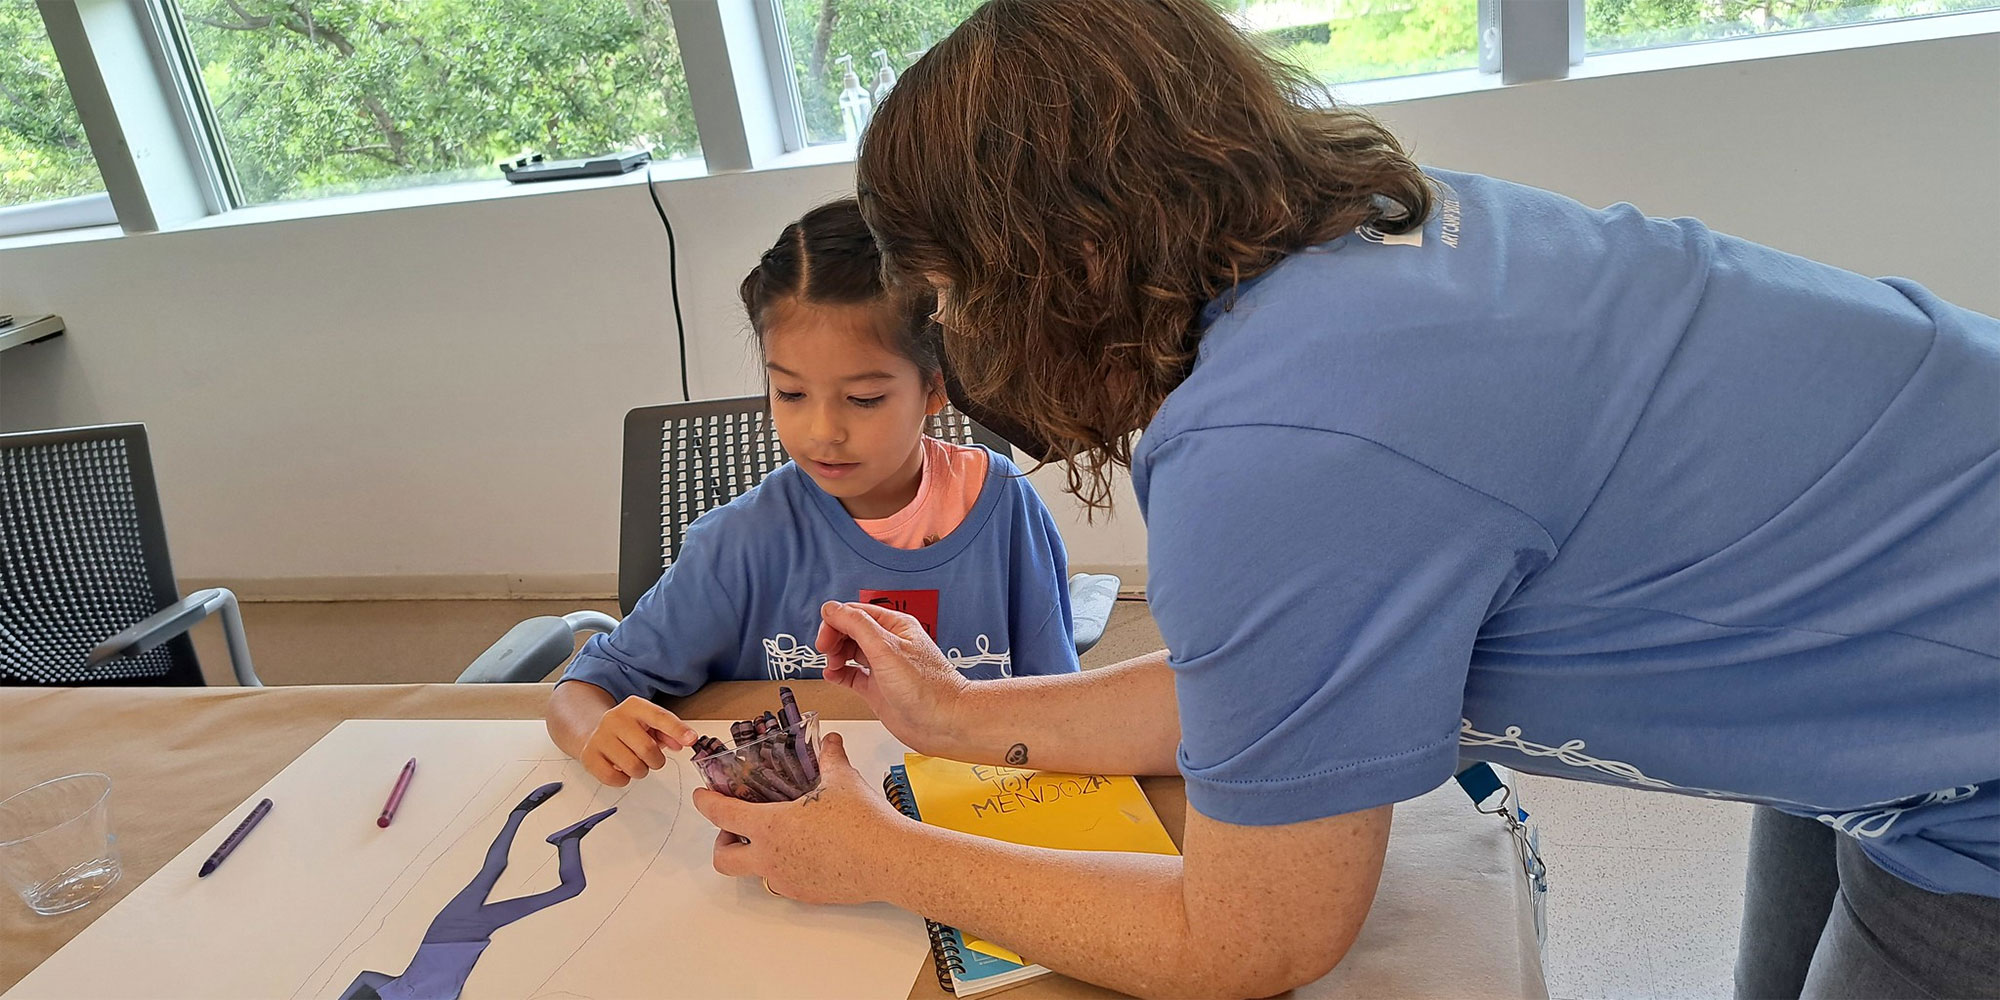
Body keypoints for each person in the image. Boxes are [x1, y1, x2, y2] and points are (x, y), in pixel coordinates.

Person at [686, 2, 2000, 998]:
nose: (958, 335)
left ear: (1065, 257)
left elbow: (1255, 934)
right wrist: (967, 718)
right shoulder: (1375, 248)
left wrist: (884, 858)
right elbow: (1282, 680)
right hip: (1903, 648)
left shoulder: (1275, 441)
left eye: (956, 292)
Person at [545, 199, 1080, 789]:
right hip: (796, 831)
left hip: (978, 818)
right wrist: (594, 728)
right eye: (790, 394)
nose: (822, 431)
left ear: (936, 388)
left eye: (865, 399)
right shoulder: (741, 542)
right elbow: (587, 685)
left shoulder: (1004, 507)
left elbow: (1061, 706)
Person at [342, 783, 615, 1000]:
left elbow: (366, 976)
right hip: (478, 935)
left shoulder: (391, 994)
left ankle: (520, 812)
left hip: (447, 933)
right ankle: (568, 840)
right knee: (572, 888)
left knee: (493, 869)